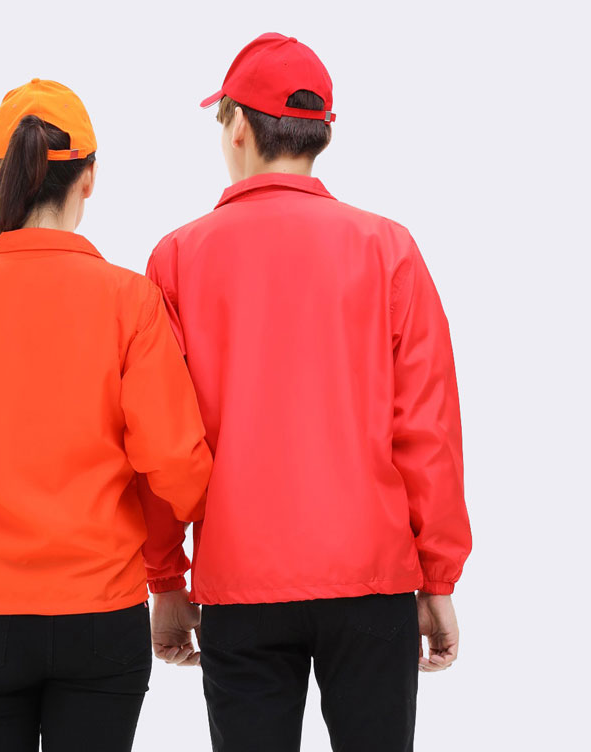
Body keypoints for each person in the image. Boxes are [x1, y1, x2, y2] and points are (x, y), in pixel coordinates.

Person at [142, 33, 472, 752]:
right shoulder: (388, 248)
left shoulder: (177, 258)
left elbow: (163, 436)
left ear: (237, 127)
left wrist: (165, 578)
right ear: (323, 131)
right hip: (371, 578)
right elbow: (429, 429)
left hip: (240, 582)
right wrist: (438, 578)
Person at [0, 78, 213, 752]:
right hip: (102, 610)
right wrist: (187, 555)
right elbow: (176, 466)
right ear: (89, 178)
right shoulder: (131, 302)